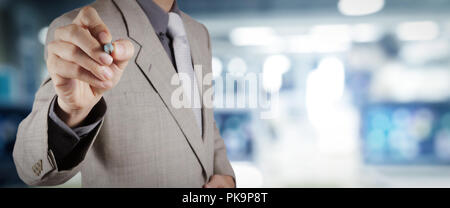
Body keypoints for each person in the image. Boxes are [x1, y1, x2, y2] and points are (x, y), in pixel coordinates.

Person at [13, 0, 235, 188]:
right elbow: (30, 165)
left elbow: (205, 120)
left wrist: (224, 173)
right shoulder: (83, 31)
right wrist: (70, 113)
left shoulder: (199, 33)